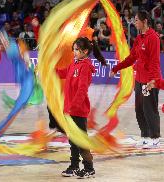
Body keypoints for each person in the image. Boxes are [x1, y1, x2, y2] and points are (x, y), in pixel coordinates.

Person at [57, 37, 107, 178]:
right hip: (69, 108)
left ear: (85, 51)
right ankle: (74, 166)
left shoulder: (84, 66)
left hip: (78, 111)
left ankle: (89, 168)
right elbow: (64, 73)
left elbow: (82, 89)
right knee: (73, 140)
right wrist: (50, 70)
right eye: (73, 49)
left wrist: (73, 107)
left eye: (77, 50)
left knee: (81, 140)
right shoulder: (75, 63)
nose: (74, 52)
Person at [110, 10, 161, 149]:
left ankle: (155, 137)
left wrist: (152, 81)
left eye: (137, 20)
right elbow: (132, 58)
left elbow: (155, 62)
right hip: (139, 79)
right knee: (139, 109)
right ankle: (145, 136)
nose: (135, 22)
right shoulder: (139, 38)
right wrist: (117, 68)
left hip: (150, 80)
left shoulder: (154, 38)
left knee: (149, 109)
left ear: (145, 21)